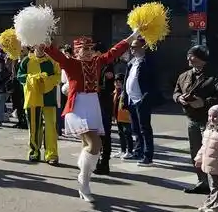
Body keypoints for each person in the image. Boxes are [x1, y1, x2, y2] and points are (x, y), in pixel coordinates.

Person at [45, 32, 138, 202]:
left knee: (87, 145)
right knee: (95, 144)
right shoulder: (70, 63)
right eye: (83, 49)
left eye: (89, 48)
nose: (87, 52)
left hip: (93, 104)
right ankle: (83, 179)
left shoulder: (97, 62)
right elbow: (55, 54)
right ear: (76, 51)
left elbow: (114, 52)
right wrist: (42, 41)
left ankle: (84, 181)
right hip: (77, 106)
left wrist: (132, 36)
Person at [173, 46, 218, 195]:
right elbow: (176, 91)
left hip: (208, 120)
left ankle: (214, 185)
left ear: (202, 58)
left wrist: (204, 102)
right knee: (196, 152)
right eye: (188, 56)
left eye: (192, 56)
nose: (189, 59)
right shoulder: (184, 75)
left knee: (209, 152)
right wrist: (179, 98)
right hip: (191, 118)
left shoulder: (214, 76)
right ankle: (202, 182)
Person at [17, 45, 60, 164]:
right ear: (33, 45)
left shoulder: (52, 60)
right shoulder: (27, 60)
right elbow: (19, 76)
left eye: (43, 45)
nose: (41, 47)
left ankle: (51, 154)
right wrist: (32, 79)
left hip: (49, 98)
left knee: (51, 126)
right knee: (34, 127)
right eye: (38, 45)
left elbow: (58, 76)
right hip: (33, 98)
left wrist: (47, 81)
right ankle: (34, 152)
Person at [124, 37, 158, 166]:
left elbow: (152, 81)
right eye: (131, 47)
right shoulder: (131, 62)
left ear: (143, 48)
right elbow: (127, 80)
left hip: (141, 100)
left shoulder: (147, 62)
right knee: (135, 128)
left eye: (135, 47)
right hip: (131, 99)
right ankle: (137, 151)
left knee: (145, 128)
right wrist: (124, 97)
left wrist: (145, 97)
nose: (132, 49)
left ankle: (148, 155)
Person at [112, 74, 133, 158]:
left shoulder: (126, 92)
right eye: (116, 82)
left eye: (120, 82)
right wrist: (113, 115)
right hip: (118, 116)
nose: (117, 83)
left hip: (125, 117)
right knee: (121, 134)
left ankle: (130, 151)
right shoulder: (115, 92)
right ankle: (123, 150)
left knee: (127, 133)